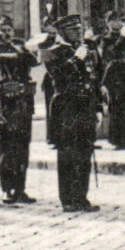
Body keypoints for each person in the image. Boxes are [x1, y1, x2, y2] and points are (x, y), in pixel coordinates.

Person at [41, 15, 101, 212]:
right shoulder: (53, 51)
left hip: (84, 106)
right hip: (66, 107)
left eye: (78, 28)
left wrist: (98, 107)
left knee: (84, 151)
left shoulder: (83, 49)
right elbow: (58, 75)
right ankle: (67, 199)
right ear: (62, 32)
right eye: (72, 29)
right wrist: (76, 59)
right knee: (68, 153)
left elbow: (93, 78)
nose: (77, 32)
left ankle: (81, 197)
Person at [0, 14, 37, 205]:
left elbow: (34, 62)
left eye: (9, 30)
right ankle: (7, 189)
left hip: (23, 106)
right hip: (5, 107)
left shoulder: (20, 51)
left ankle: (20, 189)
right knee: (7, 150)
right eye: (2, 31)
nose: (6, 34)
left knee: (23, 149)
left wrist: (22, 50)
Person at [97, 14, 125, 149]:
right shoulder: (106, 39)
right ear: (108, 22)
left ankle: (124, 137)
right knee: (116, 108)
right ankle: (115, 139)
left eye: (118, 20)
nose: (117, 23)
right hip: (115, 77)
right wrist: (122, 38)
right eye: (114, 20)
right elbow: (110, 53)